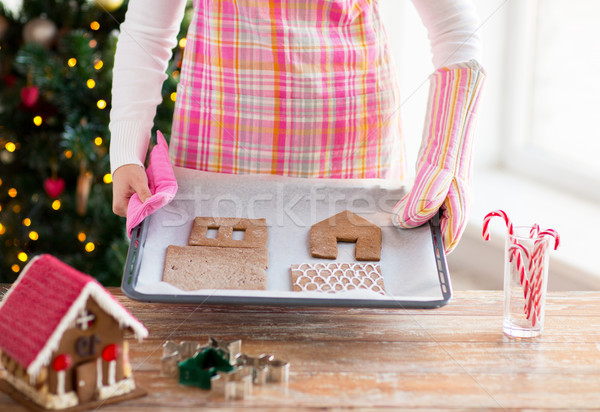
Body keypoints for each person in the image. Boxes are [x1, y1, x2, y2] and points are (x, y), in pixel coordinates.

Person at [110, 0, 485, 253]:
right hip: (221, 144)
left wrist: (447, 156)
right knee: (216, 309)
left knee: (350, 311)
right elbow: (148, 31)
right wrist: (126, 151)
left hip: (354, 150)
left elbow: (455, 30)